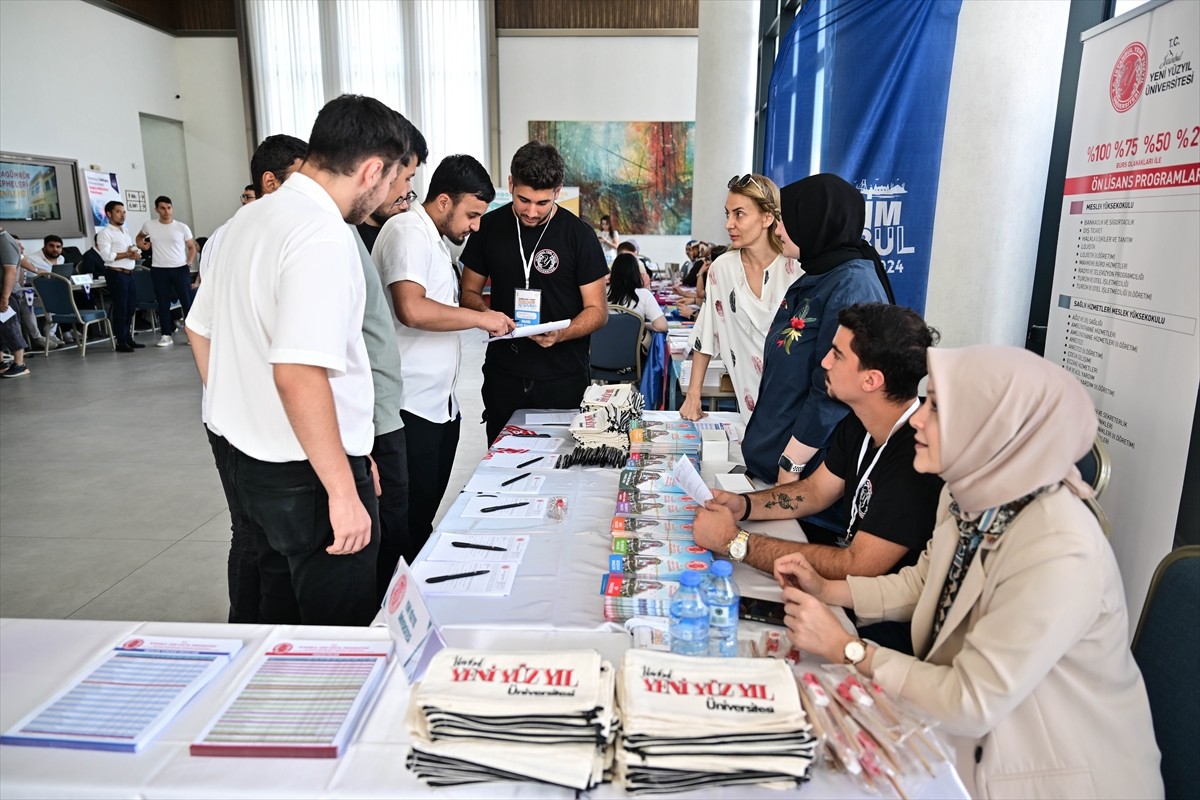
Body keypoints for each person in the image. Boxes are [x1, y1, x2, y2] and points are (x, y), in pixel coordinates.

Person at [774, 345, 1163, 799]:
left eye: (937, 407)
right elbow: (924, 584)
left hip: (1042, 777)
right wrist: (830, 590)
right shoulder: (972, 494)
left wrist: (849, 650)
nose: (917, 418)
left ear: (994, 426)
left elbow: (971, 701)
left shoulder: (1060, 547)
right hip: (964, 747)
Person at [186, 94, 412, 626]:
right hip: (308, 479)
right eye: (389, 185)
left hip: (253, 465)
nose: (385, 198)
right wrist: (341, 486)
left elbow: (199, 329)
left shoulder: (245, 222)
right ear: (372, 170)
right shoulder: (324, 235)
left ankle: (279, 711)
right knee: (335, 634)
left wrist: (247, 413)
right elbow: (297, 371)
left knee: (277, 619)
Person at [694, 303, 942, 652]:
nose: (824, 362)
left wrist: (735, 543)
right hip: (845, 600)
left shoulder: (917, 457)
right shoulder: (860, 420)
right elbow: (814, 491)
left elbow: (858, 566)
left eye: (837, 355)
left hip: (883, 629)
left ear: (871, 380)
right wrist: (743, 505)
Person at [193, 133, 307, 624]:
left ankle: (262, 626)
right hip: (235, 417)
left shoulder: (271, 229)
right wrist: (227, 395)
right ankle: (243, 627)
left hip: (252, 411)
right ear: (269, 180)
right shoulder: (235, 233)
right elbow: (199, 327)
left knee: (266, 536)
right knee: (250, 531)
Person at [375, 154, 515, 555]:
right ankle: (392, 609)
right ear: (443, 202)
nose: (475, 226)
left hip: (438, 405)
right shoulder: (406, 233)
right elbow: (412, 309)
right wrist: (479, 318)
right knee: (403, 525)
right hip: (407, 405)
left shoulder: (432, 241)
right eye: (471, 215)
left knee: (421, 519)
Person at [742, 173, 894, 499]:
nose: (778, 230)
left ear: (815, 220)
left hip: (807, 482)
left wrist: (792, 461)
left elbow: (834, 387)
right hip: (775, 467)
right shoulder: (817, 276)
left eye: (785, 220)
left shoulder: (852, 285)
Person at [460, 141, 609, 444]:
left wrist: (562, 334)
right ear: (511, 184)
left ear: (557, 191)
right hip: (505, 373)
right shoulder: (488, 228)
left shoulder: (579, 236)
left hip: (563, 375)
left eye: (542, 203)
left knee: (560, 472)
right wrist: (488, 315)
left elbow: (598, 311)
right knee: (502, 466)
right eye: (523, 200)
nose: (530, 212)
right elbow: (468, 293)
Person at [680, 174, 796, 425]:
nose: (728, 224)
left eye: (739, 214)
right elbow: (706, 333)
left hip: (797, 406)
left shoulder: (796, 268)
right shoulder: (722, 269)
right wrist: (693, 393)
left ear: (767, 217)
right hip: (751, 410)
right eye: (727, 214)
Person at [356, 124, 427, 254]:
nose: (405, 204)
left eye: (410, 179)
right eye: (406, 178)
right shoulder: (351, 239)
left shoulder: (410, 233)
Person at [136, 196, 197, 347]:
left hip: (180, 268)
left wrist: (189, 261)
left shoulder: (181, 227)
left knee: (186, 302)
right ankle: (165, 335)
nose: (166, 211)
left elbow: (191, 247)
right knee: (163, 303)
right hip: (159, 269)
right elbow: (139, 237)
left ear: (172, 208)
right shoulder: (149, 225)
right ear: (157, 209)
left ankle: (191, 335)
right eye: (162, 208)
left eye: (169, 207)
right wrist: (141, 244)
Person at [96, 200, 143, 352]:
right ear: (109, 214)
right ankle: (120, 341)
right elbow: (106, 256)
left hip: (129, 273)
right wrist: (127, 254)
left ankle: (128, 337)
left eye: (124, 212)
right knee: (121, 308)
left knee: (130, 307)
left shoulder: (125, 231)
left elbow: (131, 249)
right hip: (116, 274)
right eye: (118, 212)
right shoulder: (105, 233)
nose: (122, 215)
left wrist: (135, 252)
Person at [0, 227, 32, 378]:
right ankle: (1, 363)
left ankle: (20, 364)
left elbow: (11, 271)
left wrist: (5, 297)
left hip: (6, 293)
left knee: (10, 326)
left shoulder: (5, 242)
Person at [607, 252, 666, 333]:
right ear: (636, 273)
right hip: (633, 344)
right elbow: (662, 326)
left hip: (602, 343)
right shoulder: (644, 294)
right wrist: (641, 324)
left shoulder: (602, 293)